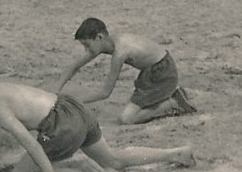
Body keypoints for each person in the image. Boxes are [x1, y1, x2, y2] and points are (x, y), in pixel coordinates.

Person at [0, 63, 194, 172]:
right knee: (113, 160)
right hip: (73, 108)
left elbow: (32, 144)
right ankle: (174, 153)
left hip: (60, 126)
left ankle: (81, 168)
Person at [53, 17, 197, 124]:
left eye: (87, 45)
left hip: (163, 73)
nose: (86, 50)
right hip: (150, 72)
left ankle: (175, 103)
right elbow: (74, 66)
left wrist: (72, 102)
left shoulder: (120, 52)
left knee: (126, 119)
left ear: (99, 37)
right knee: (133, 111)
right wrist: (56, 91)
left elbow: (105, 93)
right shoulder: (106, 43)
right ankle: (168, 98)